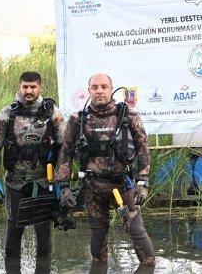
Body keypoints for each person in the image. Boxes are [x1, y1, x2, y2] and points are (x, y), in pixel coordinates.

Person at [57, 73, 155, 267]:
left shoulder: (128, 115)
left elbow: (143, 148)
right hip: (93, 187)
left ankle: (148, 267)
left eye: (104, 87)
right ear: (89, 91)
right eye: (95, 87)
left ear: (111, 89)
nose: (99, 91)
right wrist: (65, 187)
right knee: (98, 237)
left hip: (123, 187)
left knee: (137, 232)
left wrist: (142, 183)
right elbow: (65, 154)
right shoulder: (78, 119)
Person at [0, 71, 66, 259]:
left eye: (33, 87)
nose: (29, 90)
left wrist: (61, 182)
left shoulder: (53, 113)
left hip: (44, 183)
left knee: (44, 235)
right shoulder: (7, 113)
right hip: (15, 183)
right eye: (25, 86)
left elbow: (65, 148)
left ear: (41, 88)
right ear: (19, 87)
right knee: (14, 233)